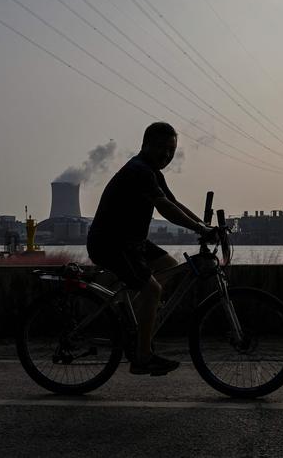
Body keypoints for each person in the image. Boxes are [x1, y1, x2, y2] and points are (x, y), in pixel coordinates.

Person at [87, 122, 211, 376]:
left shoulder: (153, 172)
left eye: (171, 150)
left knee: (170, 267)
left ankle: (136, 319)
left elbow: (173, 203)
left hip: (132, 242)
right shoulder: (139, 170)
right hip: (111, 242)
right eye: (161, 148)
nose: (167, 155)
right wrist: (200, 230)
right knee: (152, 287)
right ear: (146, 144)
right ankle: (142, 357)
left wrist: (203, 225)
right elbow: (165, 208)